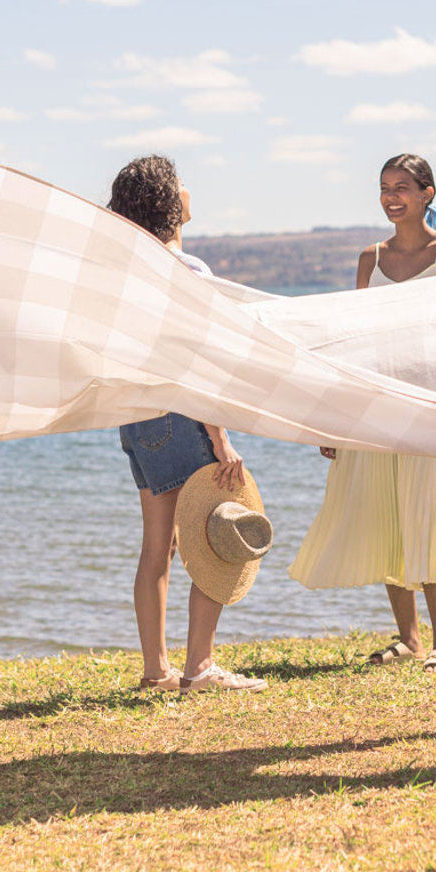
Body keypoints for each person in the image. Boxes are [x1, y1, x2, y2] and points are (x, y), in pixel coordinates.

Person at [289, 153, 436, 674]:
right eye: (384, 188)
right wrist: (336, 419)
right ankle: (410, 639)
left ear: (427, 194)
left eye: (403, 187)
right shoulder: (370, 258)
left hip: (433, 411)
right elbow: (356, 344)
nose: (392, 197)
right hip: (374, 408)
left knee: (428, 518)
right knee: (387, 520)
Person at [108, 155, 267, 694]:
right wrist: (220, 439)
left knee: (158, 548)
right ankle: (199, 667)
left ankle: (156, 671)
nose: (188, 190)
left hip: (138, 419)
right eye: (180, 184)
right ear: (169, 202)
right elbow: (203, 366)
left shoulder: (126, 272)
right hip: (184, 417)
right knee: (216, 536)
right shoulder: (190, 271)